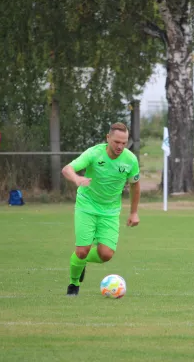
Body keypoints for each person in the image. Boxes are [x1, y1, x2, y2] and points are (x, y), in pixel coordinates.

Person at [62, 122, 141, 296]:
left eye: (124, 142)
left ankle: (80, 262)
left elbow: (135, 186)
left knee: (105, 254)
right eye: (117, 142)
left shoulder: (130, 160)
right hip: (86, 206)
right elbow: (67, 169)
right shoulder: (94, 153)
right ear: (108, 138)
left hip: (110, 211)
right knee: (82, 251)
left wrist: (134, 212)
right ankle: (74, 284)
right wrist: (76, 179)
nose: (120, 146)